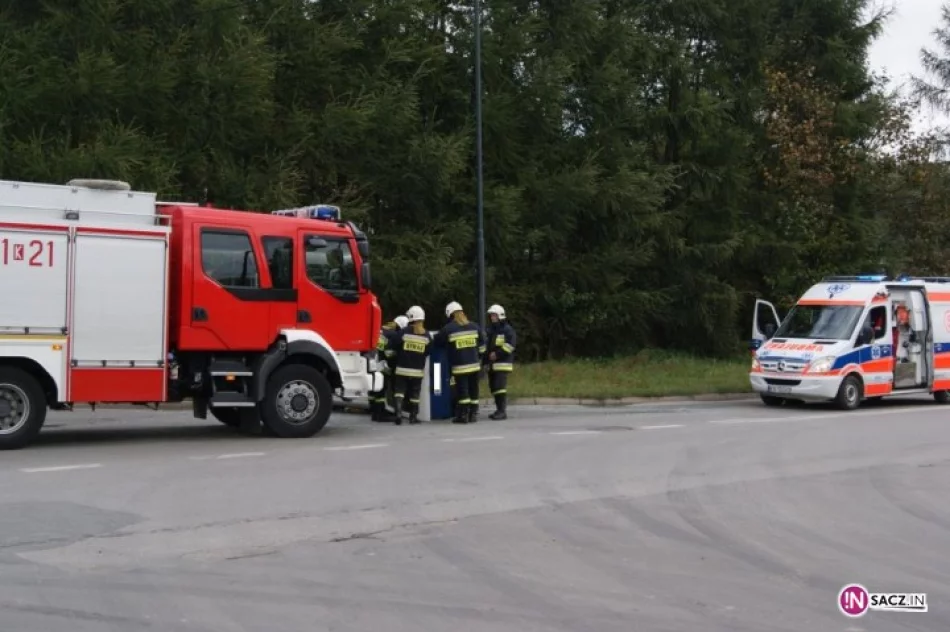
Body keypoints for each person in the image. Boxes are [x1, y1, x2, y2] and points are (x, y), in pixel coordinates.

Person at [434, 301, 486, 424]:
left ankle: (463, 415)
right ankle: (473, 414)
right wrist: (477, 355)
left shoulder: (448, 329)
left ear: (450, 315)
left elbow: (438, 341)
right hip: (474, 365)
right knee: (474, 390)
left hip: (460, 367)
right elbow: (483, 345)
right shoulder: (474, 326)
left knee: (463, 391)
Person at [389, 306, 432, 425]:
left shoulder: (403, 332)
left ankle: (398, 414)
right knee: (415, 394)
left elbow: (393, 344)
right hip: (417, 371)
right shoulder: (426, 335)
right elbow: (428, 352)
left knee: (399, 391)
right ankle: (413, 417)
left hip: (402, 368)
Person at [369, 315, 408, 421]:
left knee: (374, 390)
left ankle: (374, 411)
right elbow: (389, 353)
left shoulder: (381, 330)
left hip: (370, 361)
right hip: (381, 365)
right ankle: (380, 414)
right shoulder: (393, 335)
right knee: (382, 388)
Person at [485, 303, 517, 420]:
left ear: (500, 316)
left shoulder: (507, 330)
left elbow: (510, 346)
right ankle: (498, 409)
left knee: (499, 386)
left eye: (494, 315)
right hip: (492, 364)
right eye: (491, 315)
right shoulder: (491, 330)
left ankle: (502, 411)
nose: (492, 317)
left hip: (503, 364)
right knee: (493, 387)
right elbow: (487, 347)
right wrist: (485, 362)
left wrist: (497, 354)